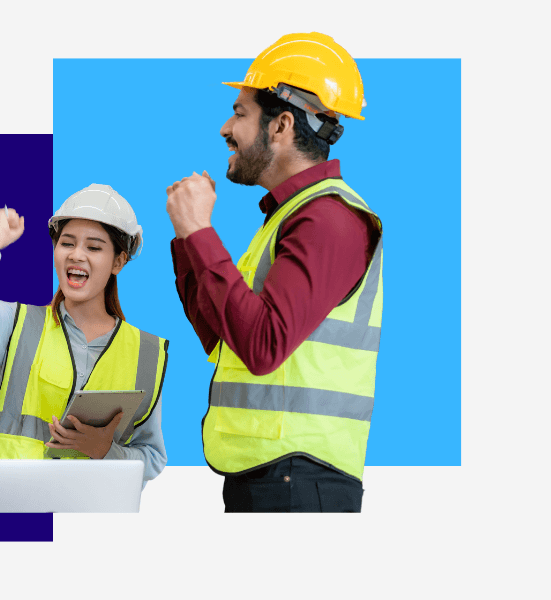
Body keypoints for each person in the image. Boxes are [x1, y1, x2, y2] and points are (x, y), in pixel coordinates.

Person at [165, 33, 384, 512]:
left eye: (240, 113)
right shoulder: (285, 219)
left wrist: (200, 231)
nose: (226, 127)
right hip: (273, 475)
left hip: (299, 478)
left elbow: (262, 347)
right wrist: (188, 240)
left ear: (282, 125)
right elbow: (221, 335)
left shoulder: (328, 219)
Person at [0, 184, 169, 483]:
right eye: (67, 243)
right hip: (12, 506)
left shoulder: (146, 353)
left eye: (94, 247)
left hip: (87, 518)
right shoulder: (19, 324)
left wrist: (106, 450)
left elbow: (153, 457)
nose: (76, 255)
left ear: (118, 262)